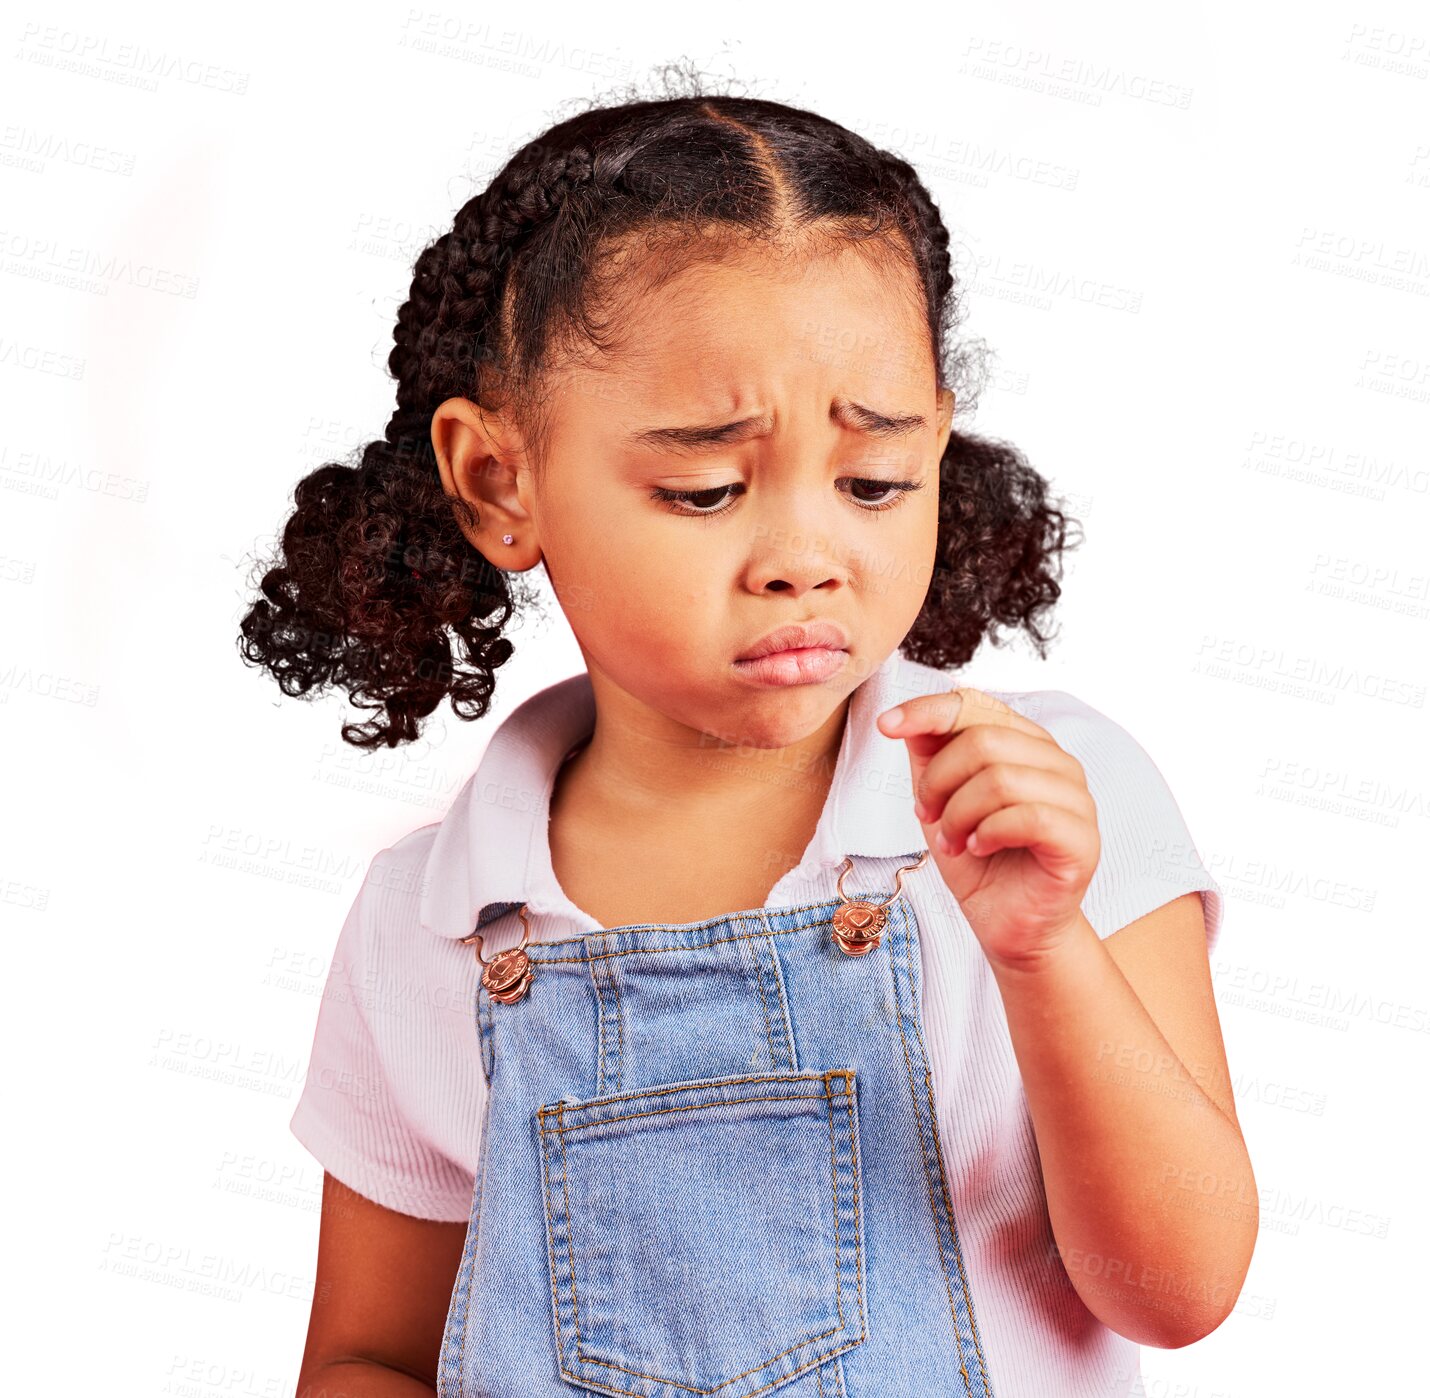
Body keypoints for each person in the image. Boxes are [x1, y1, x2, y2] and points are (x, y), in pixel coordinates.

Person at [238, 77, 1255, 1398]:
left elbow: (1177, 1294)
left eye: (874, 482)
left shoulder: (1045, 805)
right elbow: (369, 1351)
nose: (801, 556)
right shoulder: (427, 923)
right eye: (706, 488)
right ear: (500, 482)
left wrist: (1042, 947)